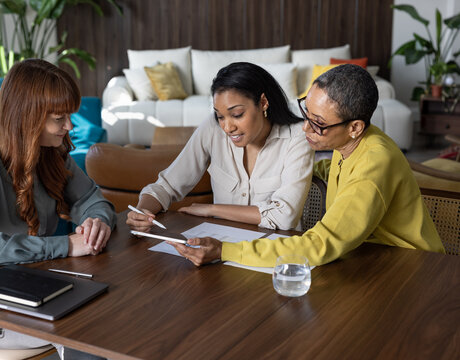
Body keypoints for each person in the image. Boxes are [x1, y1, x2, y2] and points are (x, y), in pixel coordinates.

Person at [169, 64, 445, 267]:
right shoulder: (349, 143)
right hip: (368, 256)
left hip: (414, 267)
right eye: (306, 113)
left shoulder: (373, 165)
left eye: (318, 124)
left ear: (354, 127)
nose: (306, 129)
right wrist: (294, 170)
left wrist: (225, 251)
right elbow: (335, 172)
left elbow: (320, 245)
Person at [0, 59, 115, 359]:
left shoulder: (51, 152)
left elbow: (92, 199)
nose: (69, 126)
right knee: (91, 330)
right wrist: (65, 245)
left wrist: (98, 221)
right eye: (59, 118)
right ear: (28, 117)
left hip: (34, 279)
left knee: (110, 311)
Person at [127, 62, 314, 232]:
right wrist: (143, 210)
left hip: (274, 255)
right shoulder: (212, 128)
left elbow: (285, 217)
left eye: (237, 114)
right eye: (220, 116)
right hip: (220, 250)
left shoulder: (297, 136)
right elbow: (167, 185)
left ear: (263, 102)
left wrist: (212, 209)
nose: (227, 127)